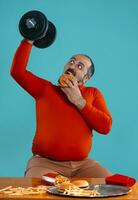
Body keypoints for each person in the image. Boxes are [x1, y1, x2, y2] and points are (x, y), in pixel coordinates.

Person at [10, 39, 112, 178]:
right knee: (34, 193)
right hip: (44, 163)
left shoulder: (93, 93)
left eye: (80, 66)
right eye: (71, 62)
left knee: (113, 189)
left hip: (83, 165)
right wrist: (28, 40)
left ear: (86, 78)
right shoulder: (45, 89)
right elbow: (17, 72)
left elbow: (105, 127)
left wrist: (79, 102)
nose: (72, 66)